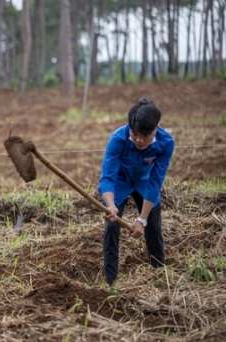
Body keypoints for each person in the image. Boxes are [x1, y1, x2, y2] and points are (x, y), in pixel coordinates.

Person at [98, 97, 175, 288]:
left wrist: (142, 219)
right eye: (134, 134)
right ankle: (111, 282)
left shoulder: (166, 143)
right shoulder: (118, 139)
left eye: (144, 135)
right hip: (120, 183)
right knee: (111, 227)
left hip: (146, 184)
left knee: (153, 227)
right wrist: (110, 205)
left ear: (156, 127)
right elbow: (107, 178)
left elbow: (156, 181)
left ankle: (158, 275)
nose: (139, 140)